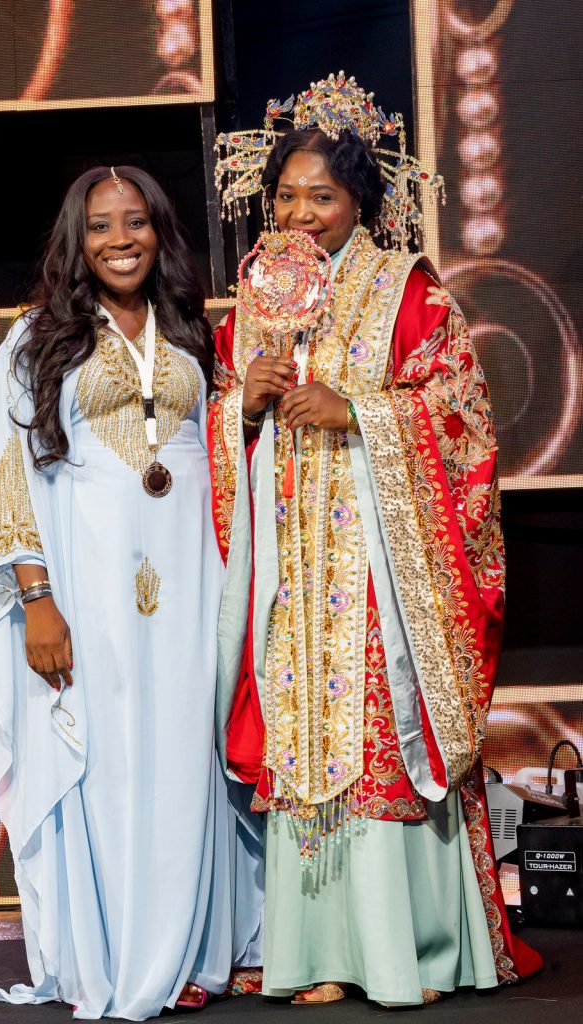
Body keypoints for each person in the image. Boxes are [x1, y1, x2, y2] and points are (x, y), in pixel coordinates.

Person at [208, 74, 541, 1007]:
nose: (300, 215)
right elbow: (220, 429)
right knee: (301, 739)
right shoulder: (255, 304)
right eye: (286, 197)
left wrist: (359, 413)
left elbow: (461, 413)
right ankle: (318, 954)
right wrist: (242, 408)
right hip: (289, 568)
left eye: (321, 196)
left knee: (380, 736)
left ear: (360, 200)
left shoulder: (408, 291)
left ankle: (410, 954)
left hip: (379, 574)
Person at [0, 165, 258, 1020]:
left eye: (136, 222)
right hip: (88, 584)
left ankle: (196, 953)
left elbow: (219, 451)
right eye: (100, 226)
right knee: (110, 758)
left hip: (193, 580)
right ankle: (124, 959)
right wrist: (37, 600)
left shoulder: (191, 331)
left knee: (188, 754)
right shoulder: (34, 341)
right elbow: (10, 475)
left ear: (159, 231)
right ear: (77, 240)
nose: (120, 240)